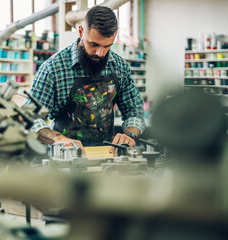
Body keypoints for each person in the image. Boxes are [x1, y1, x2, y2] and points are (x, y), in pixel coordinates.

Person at [25, 5, 145, 154]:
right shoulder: (53, 68)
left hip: (107, 155)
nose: (100, 53)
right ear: (81, 31)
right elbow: (30, 117)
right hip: (65, 157)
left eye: (107, 46)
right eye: (93, 44)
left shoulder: (119, 67)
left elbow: (134, 108)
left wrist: (129, 135)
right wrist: (60, 140)